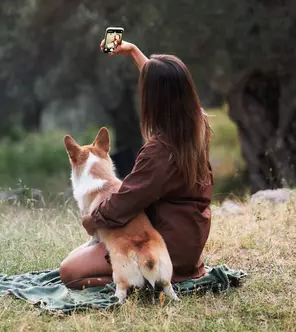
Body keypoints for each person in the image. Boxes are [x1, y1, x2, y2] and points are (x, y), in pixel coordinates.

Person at [59, 39, 214, 290]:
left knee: (69, 272)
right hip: (189, 241)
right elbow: (168, 86)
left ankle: (139, 280)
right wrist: (133, 52)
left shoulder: (159, 151)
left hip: (160, 247)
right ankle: (142, 274)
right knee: (81, 254)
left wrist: (92, 219)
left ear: (153, 100)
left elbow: (124, 201)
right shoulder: (198, 125)